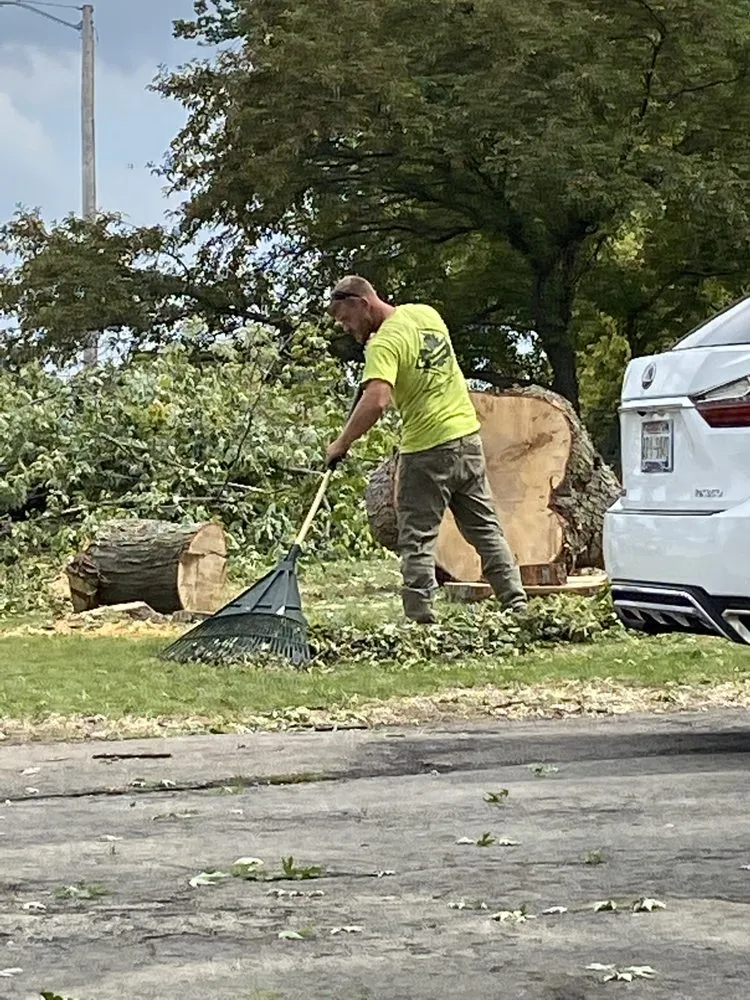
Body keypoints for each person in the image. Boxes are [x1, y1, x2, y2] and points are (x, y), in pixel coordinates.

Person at [326, 275, 527, 624]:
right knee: (485, 530)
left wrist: (341, 443)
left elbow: (376, 400)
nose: (346, 327)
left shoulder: (384, 344)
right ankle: (517, 605)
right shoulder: (426, 314)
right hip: (467, 439)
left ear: (362, 304)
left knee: (417, 538)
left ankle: (420, 620)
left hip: (427, 448)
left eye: (346, 318)